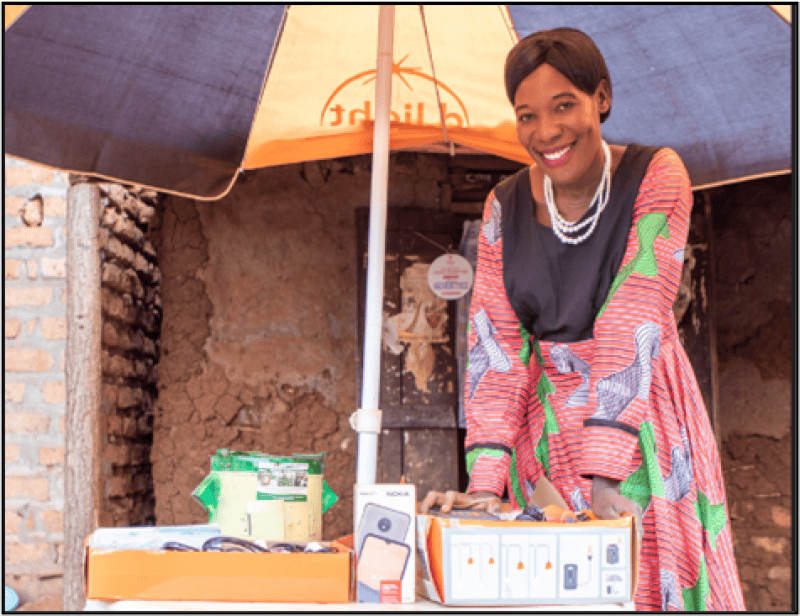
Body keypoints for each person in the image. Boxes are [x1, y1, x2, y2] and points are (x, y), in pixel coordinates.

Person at [420, 28, 745, 611]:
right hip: (544, 438)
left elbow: (634, 315)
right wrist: (485, 483)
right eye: (526, 115)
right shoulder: (503, 206)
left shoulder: (656, 175)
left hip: (640, 427)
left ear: (602, 98)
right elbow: (495, 345)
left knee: (640, 584)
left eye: (564, 105)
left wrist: (605, 473)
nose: (545, 132)